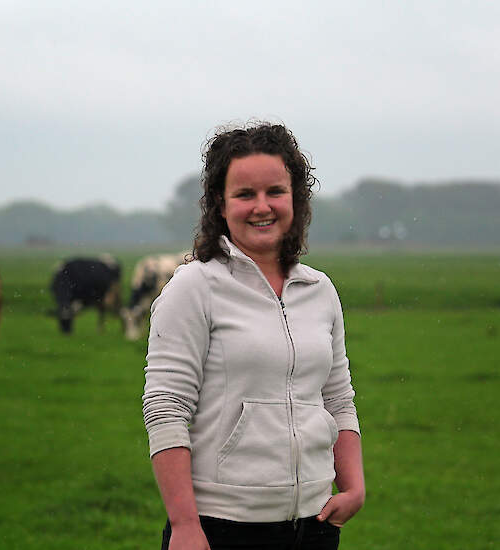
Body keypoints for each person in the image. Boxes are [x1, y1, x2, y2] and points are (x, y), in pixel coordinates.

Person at [142, 122, 364, 550]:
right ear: (220, 206)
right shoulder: (194, 288)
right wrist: (185, 525)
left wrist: (352, 486)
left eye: (275, 192)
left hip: (314, 524)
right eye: (245, 194)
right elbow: (166, 407)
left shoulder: (320, 290)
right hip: (222, 527)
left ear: (295, 199)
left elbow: (338, 398)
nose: (262, 206)